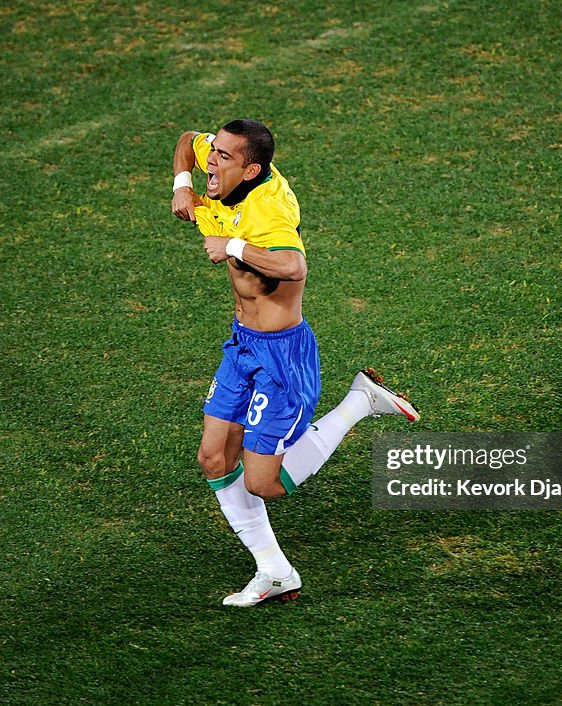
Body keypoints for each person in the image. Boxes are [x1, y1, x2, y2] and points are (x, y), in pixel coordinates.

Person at [171, 119, 419, 607]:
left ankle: (360, 401)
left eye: (221, 158)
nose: (210, 164)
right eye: (214, 153)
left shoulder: (271, 210)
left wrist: (233, 246)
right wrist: (183, 186)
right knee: (214, 457)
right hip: (242, 344)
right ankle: (275, 570)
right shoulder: (229, 162)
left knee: (264, 482)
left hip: (283, 355)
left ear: (252, 168)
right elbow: (185, 142)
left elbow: (293, 266)